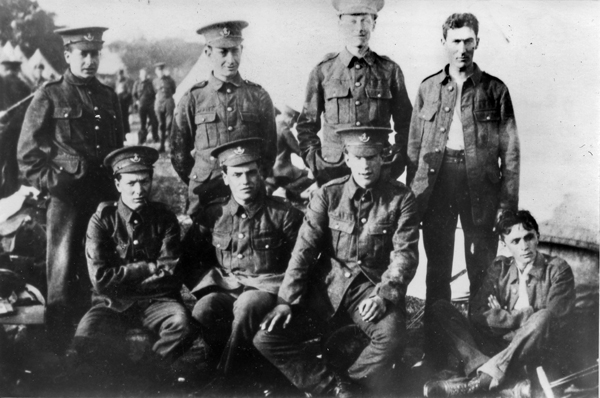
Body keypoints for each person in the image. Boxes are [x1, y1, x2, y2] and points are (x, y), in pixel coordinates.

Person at [254, 127, 420, 397]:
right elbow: (303, 251)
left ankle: (344, 381)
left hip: (370, 289)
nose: (365, 165)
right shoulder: (328, 195)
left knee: (391, 336)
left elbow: (405, 254)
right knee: (267, 336)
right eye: (359, 157)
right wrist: (286, 301)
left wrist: (384, 296)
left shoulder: (401, 199)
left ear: (383, 158)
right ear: (347, 158)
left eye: (372, 157)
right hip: (326, 289)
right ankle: (333, 388)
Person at [406, 13, 520, 361]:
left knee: (481, 269)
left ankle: (481, 349)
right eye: (455, 41)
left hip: (480, 188)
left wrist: (508, 206)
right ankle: (438, 349)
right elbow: (413, 148)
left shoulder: (495, 90)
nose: (462, 49)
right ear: (445, 44)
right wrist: (413, 198)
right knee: (437, 265)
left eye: (468, 41)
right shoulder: (427, 88)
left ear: (477, 43)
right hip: (438, 184)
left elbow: (510, 153)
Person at [17, 26, 124, 352]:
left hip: (103, 199)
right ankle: (58, 351)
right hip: (67, 201)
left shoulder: (109, 96)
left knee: (102, 269)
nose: (90, 61)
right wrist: (55, 184)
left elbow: (117, 148)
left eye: (95, 54)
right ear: (68, 55)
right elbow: (27, 154)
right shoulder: (48, 95)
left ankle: (97, 346)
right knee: (63, 276)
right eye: (83, 54)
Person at [179, 138, 303, 389]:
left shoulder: (283, 213)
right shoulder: (216, 214)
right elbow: (189, 257)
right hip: (229, 286)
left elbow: (302, 263)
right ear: (225, 177)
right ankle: (228, 367)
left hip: (268, 289)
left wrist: (287, 300)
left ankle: (227, 383)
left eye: (250, 173)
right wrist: (207, 287)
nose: (244, 181)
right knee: (204, 307)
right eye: (237, 174)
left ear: (260, 175)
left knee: (247, 304)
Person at [72, 146, 195, 379]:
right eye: (131, 183)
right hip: (113, 303)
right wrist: (148, 268)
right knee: (84, 337)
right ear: (118, 185)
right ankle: (121, 375)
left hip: (158, 303)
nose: (139, 190)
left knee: (181, 324)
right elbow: (101, 280)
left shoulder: (165, 218)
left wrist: (124, 279)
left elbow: (170, 274)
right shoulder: (102, 221)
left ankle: (146, 376)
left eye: (145, 181)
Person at [423, 210, 575, 397]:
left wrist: (501, 316)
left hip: (530, 349)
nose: (524, 246)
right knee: (440, 308)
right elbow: (477, 313)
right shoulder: (499, 268)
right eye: (515, 241)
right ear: (504, 244)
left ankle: (478, 381)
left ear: (538, 237)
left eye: (529, 237)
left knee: (543, 317)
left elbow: (554, 319)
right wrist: (525, 315)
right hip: (494, 346)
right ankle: (502, 379)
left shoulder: (558, 270)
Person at [296, 0, 412, 186]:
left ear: (374, 23)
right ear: (340, 22)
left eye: (365, 20)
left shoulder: (389, 71)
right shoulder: (323, 71)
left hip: (378, 169)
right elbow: (306, 126)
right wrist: (316, 163)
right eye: (352, 21)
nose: (360, 28)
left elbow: (406, 123)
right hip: (333, 171)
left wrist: (396, 160)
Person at [171, 20, 277, 215]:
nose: (231, 59)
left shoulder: (258, 96)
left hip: (248, 192)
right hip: (206, 194)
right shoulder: (193, 98)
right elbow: (179, 154)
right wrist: (199, 179)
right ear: (208, 53)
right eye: (223, 52)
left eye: (235, 51)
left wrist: (252, 178)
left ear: (242, 50)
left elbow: (269, 150)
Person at [152, 62, 176, 153]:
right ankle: (162, 145)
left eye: (161, 70)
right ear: (156, 72)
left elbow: (173, 90)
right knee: (161, 124)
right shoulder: (154, 81)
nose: (160, 72)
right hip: (159, 103)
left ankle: (170, 145)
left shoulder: (170, 80)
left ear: (164, 71)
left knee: (169, 124)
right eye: (158, 71)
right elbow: (155, 91)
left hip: (168, 102)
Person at [132, 68, 158, 144]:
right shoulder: (137, 83)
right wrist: (136, 101)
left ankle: (155, 137)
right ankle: (142, 139)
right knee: (142, 123)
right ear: (140, 75)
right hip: (141, 105)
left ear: (147, 75)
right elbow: (134, 94)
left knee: (154, 122)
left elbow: (155, 93)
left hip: (151, 105)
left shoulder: (151, 83)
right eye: (142, 74)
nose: (144, 75)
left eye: (145, 74)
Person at [115, 68, 133, 134]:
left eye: (120, 74)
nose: (119, 76)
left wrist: (122, 97)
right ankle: (121, 133)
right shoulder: (117, 82)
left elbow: (129, 93)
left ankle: (125, 133)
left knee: (124, 118)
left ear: (122, 74)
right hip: (118, 102)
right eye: (118, 75)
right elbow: (116, 91)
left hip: (124, 102)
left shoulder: (126, 82)